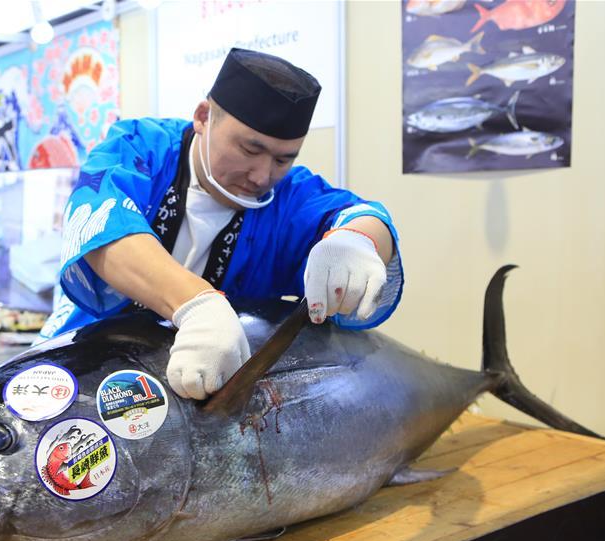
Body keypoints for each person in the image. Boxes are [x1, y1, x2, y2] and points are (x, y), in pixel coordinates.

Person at [38, 48, 403, 400]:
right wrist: (196, 305)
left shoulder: (289, 197)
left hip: (205, 398)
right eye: (250, 149)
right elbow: (102, 222)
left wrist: (356, 240)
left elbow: (362, 216)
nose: (262, 175)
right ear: (202, 117)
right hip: (84, 367)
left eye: (282, 159)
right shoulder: (142, 147)